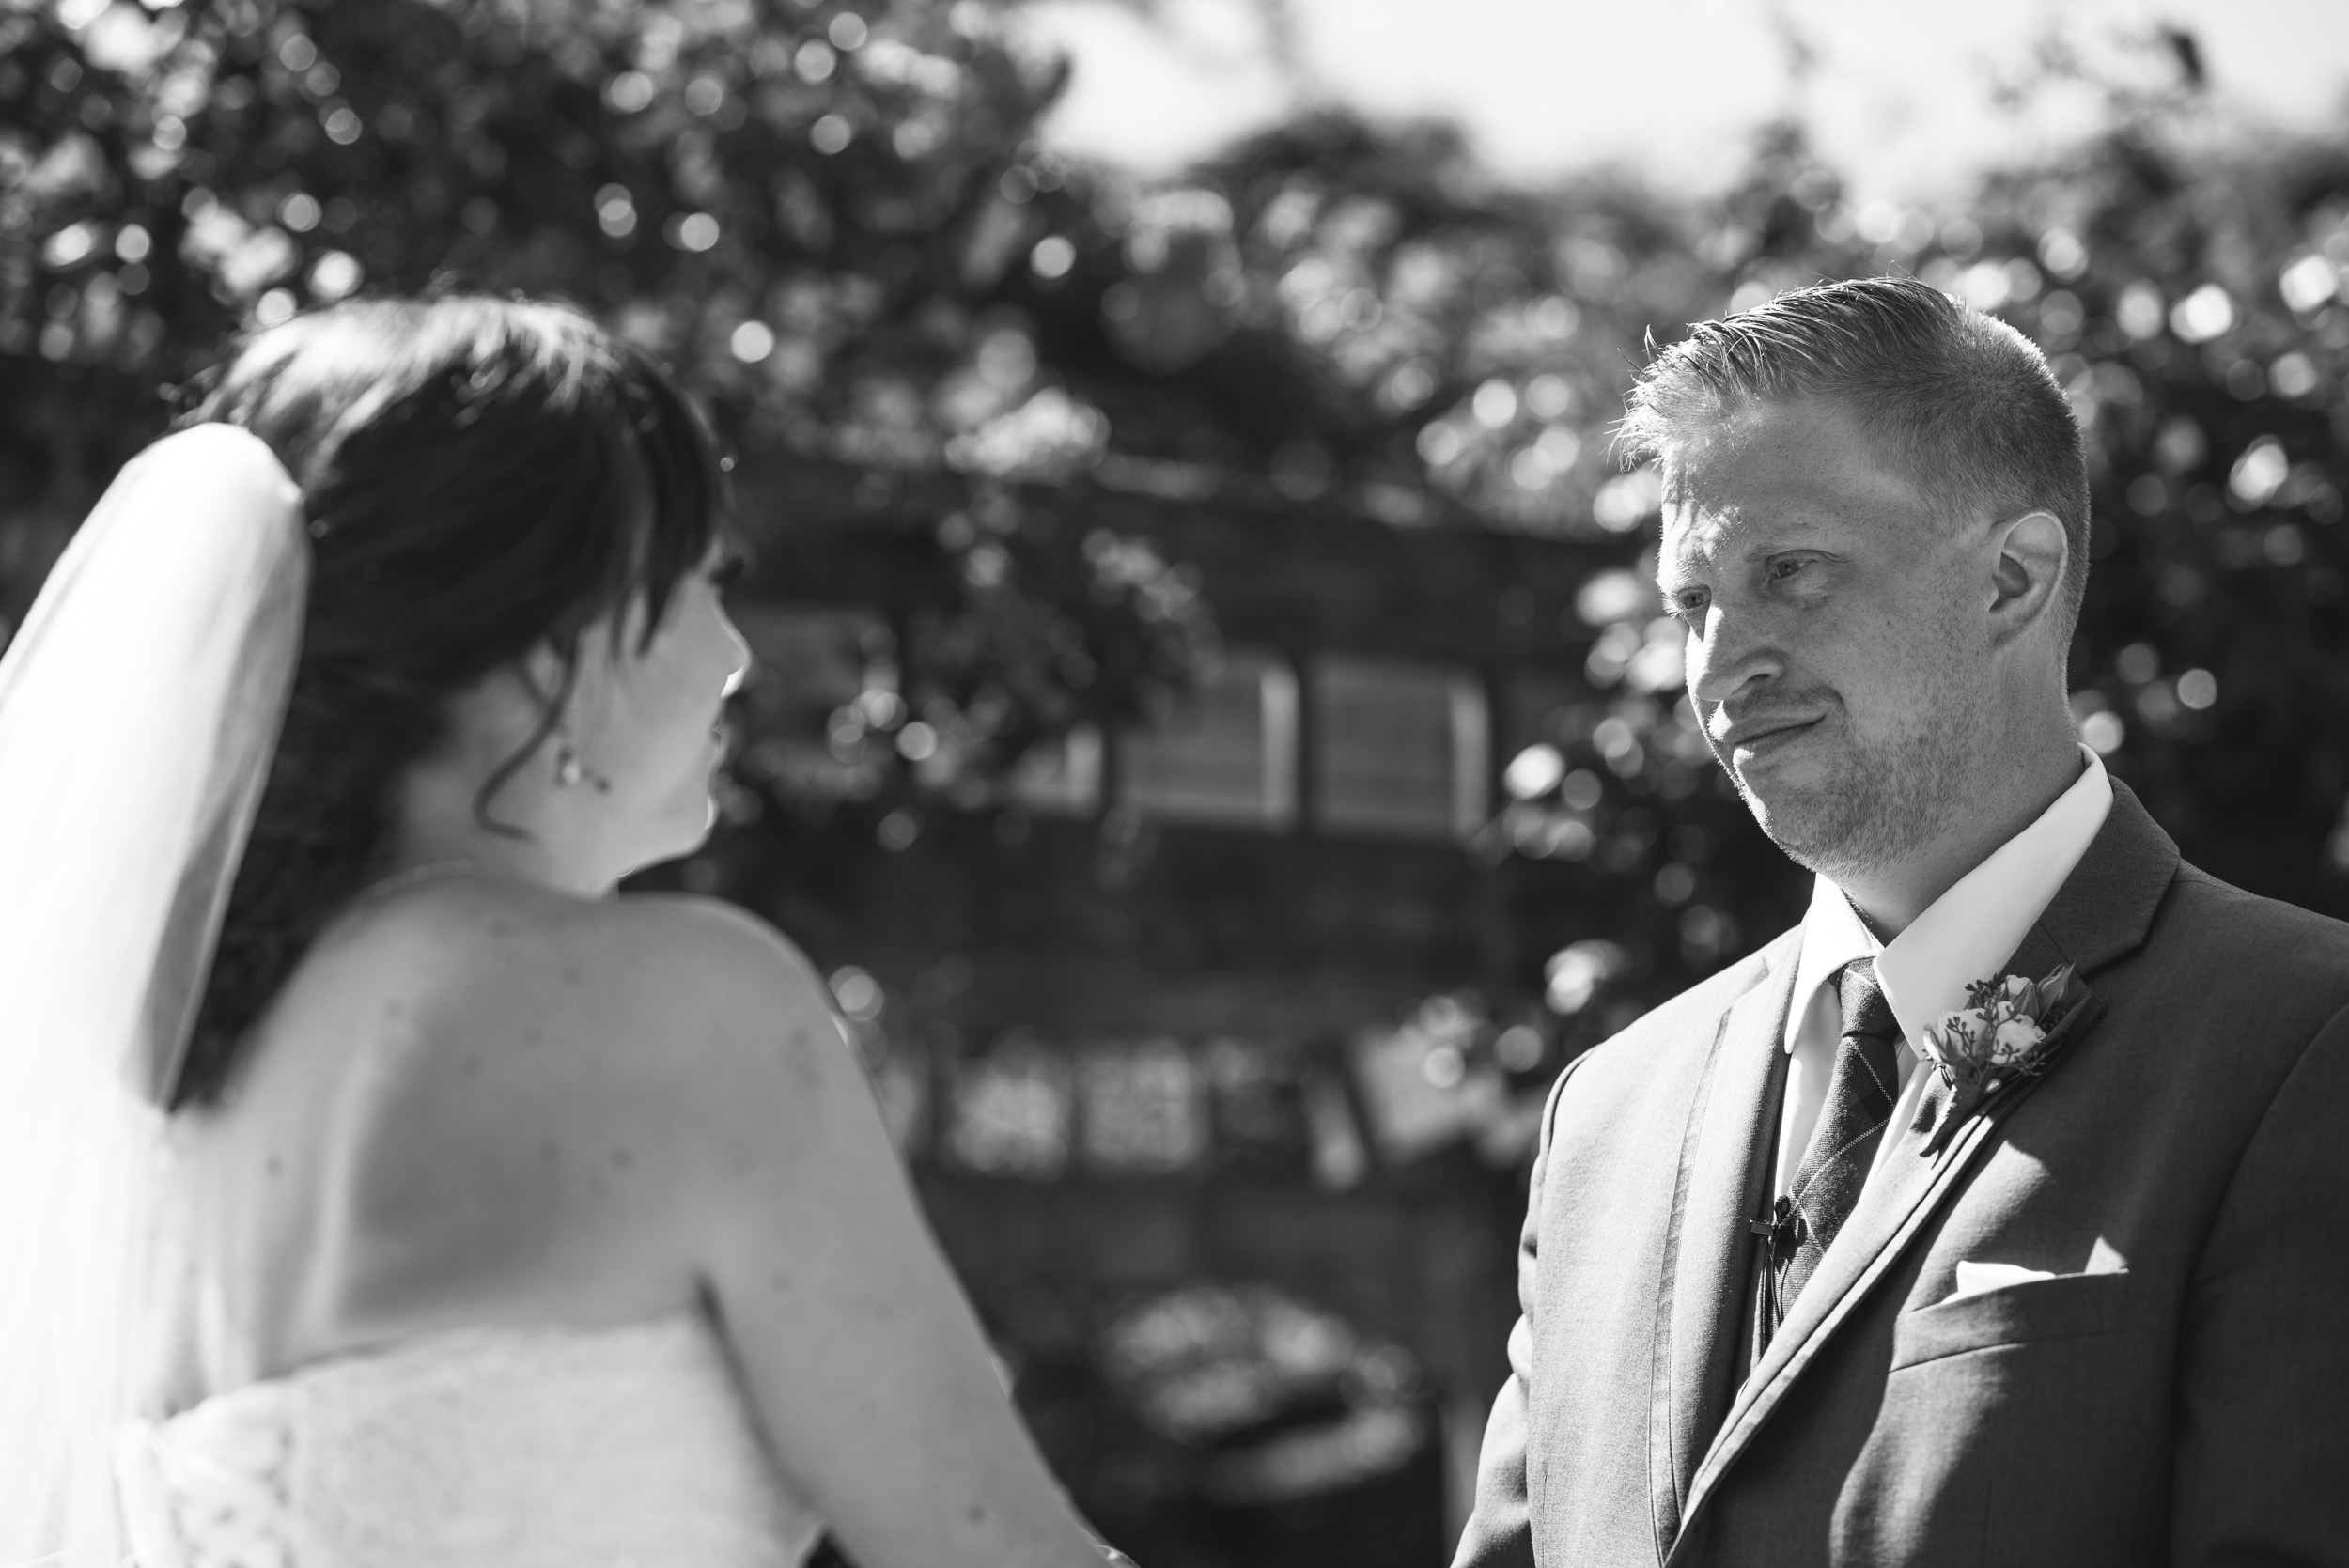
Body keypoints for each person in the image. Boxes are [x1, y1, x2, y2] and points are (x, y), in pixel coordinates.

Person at [0, 295, 1129, 1568]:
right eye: (701, 583)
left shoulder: (163, 1108)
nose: (735, 656)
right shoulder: (686, 1007)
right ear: (551, 647)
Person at [1452, 275, 2349, 1567]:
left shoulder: (2301, 1049)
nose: (1717, 666)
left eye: (1791, 572)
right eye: (1692, 601)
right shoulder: (1603, 1114)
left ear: (2012, 579)